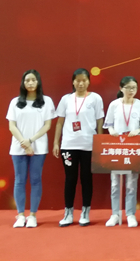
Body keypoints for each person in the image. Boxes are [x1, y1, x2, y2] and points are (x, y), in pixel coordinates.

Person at [53, 68, 104, 227]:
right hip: (69, 145)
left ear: (89, 81)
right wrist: (56, 142)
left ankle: (85, 212)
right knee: (70, 179)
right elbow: (60, 122)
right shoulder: (66, 99)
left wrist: (100, 142)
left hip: (89, 145)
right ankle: (68, 212)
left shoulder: (95, 98)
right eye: (78, 80)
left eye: (84, 80)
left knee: (86, 178)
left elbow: (100, 121)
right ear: (73, 82)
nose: (81, 83)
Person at [7, 70, 55, 228]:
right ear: (23, 83)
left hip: (38, 147)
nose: (30, 83)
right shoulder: (15, 102)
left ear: (38, 82)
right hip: (18, 147)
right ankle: (20, 215)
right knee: (19, 180)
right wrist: (24, 142)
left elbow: (47, 125)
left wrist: (30, 141)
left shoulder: (46, 101)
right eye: (27, 80)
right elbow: (12, 126)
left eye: (33, 80)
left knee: (35, 180)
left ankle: (33, 215)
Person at [103, 76, 140, 228]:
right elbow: (108, 124)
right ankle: (115, 214)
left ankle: (130, 214)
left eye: (134, 88)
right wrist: (111, 130)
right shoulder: (114, 104)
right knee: (115, 183)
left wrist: (138, 130)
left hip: (133, 147)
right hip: (117, 146)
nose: (131, 90)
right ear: (121, 88)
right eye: (128, 87)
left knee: (131, 183)